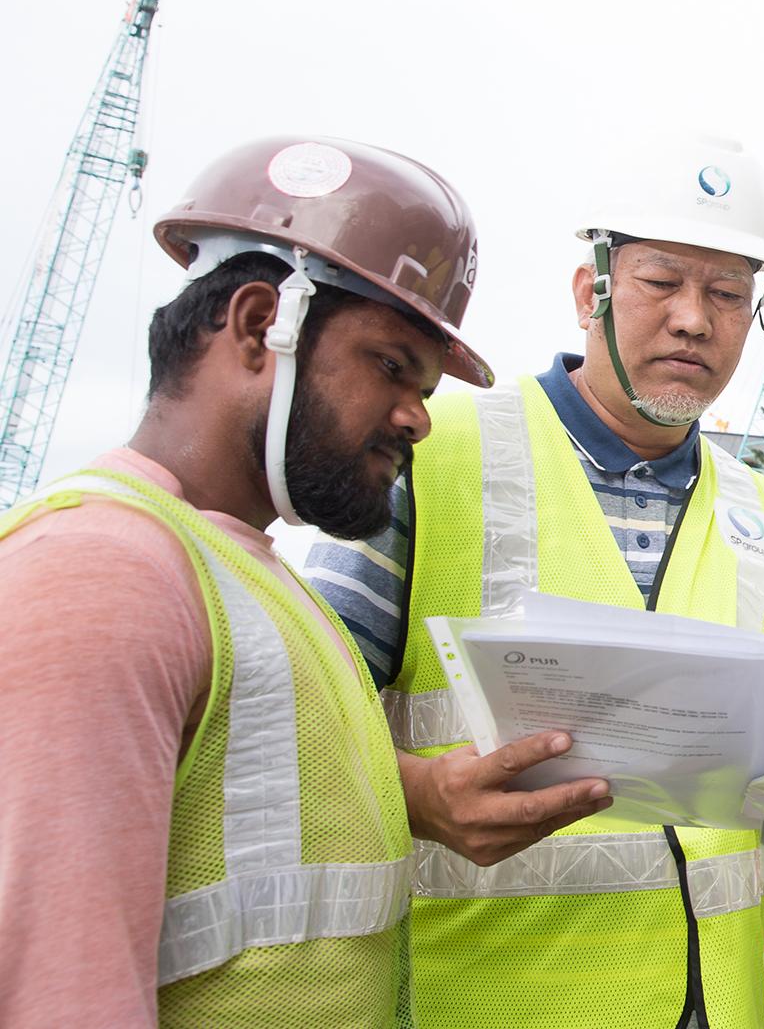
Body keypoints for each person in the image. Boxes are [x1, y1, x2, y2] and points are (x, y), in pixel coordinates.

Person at [0, 136, 595, 1026]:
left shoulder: (250, 577)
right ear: (256, 327)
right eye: (392, 367)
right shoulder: (103, 576)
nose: (418, 419)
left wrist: (423, 795)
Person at [307, 132, 764, 1028]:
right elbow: (296, 723)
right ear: (594, 289)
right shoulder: (428, 455)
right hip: (489, 1000)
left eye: (729, 293)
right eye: (664, 282)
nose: (695, 319)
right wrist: (420, 798)